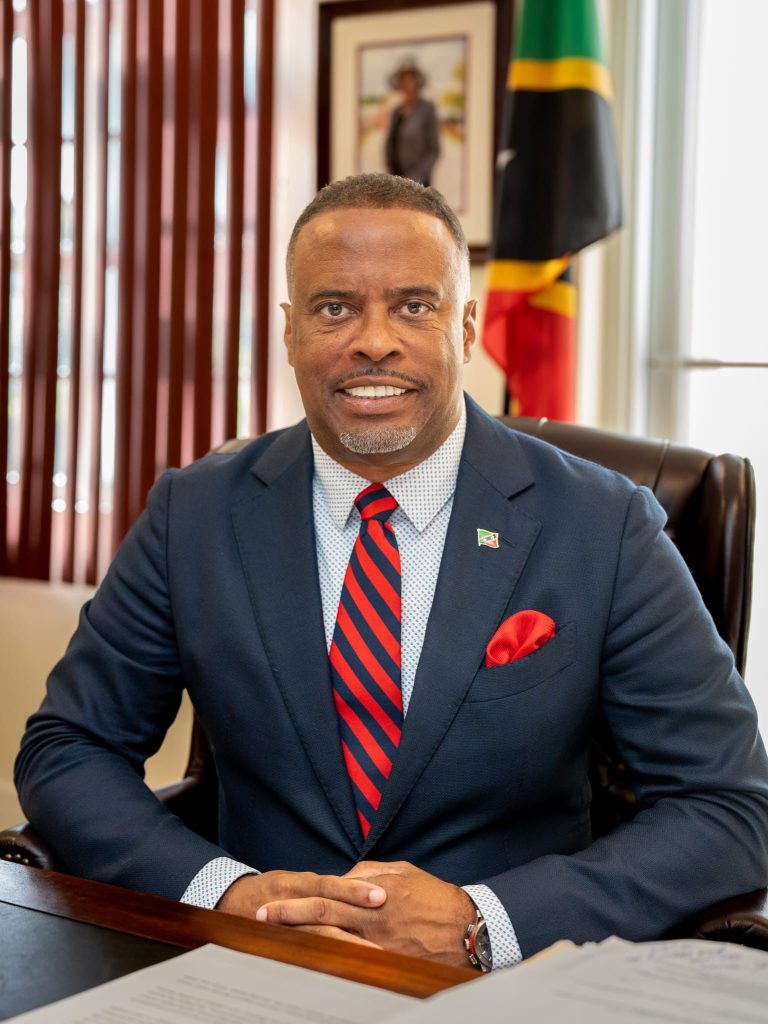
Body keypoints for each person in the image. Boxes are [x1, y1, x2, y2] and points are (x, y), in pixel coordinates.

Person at [16, 173, 768, 972]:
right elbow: (69, 746)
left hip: (501, 990)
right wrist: (225, 895)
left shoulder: (603, 524)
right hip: (254, 976)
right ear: (290, 331)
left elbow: (729, 807)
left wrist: (483, 923)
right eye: (335, 308)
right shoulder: (194, 514)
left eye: (414, 305)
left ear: (466, 327)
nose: (374, 340)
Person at [385, 60, 440, 186]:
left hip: (418, 183)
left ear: (417, 82)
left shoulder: (427, 109)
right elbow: (391, 144)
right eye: (403, 80)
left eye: (410, 79)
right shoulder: (396, 112)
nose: (406, 83)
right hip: (397, 181)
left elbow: (433, 149)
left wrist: (414, 177)